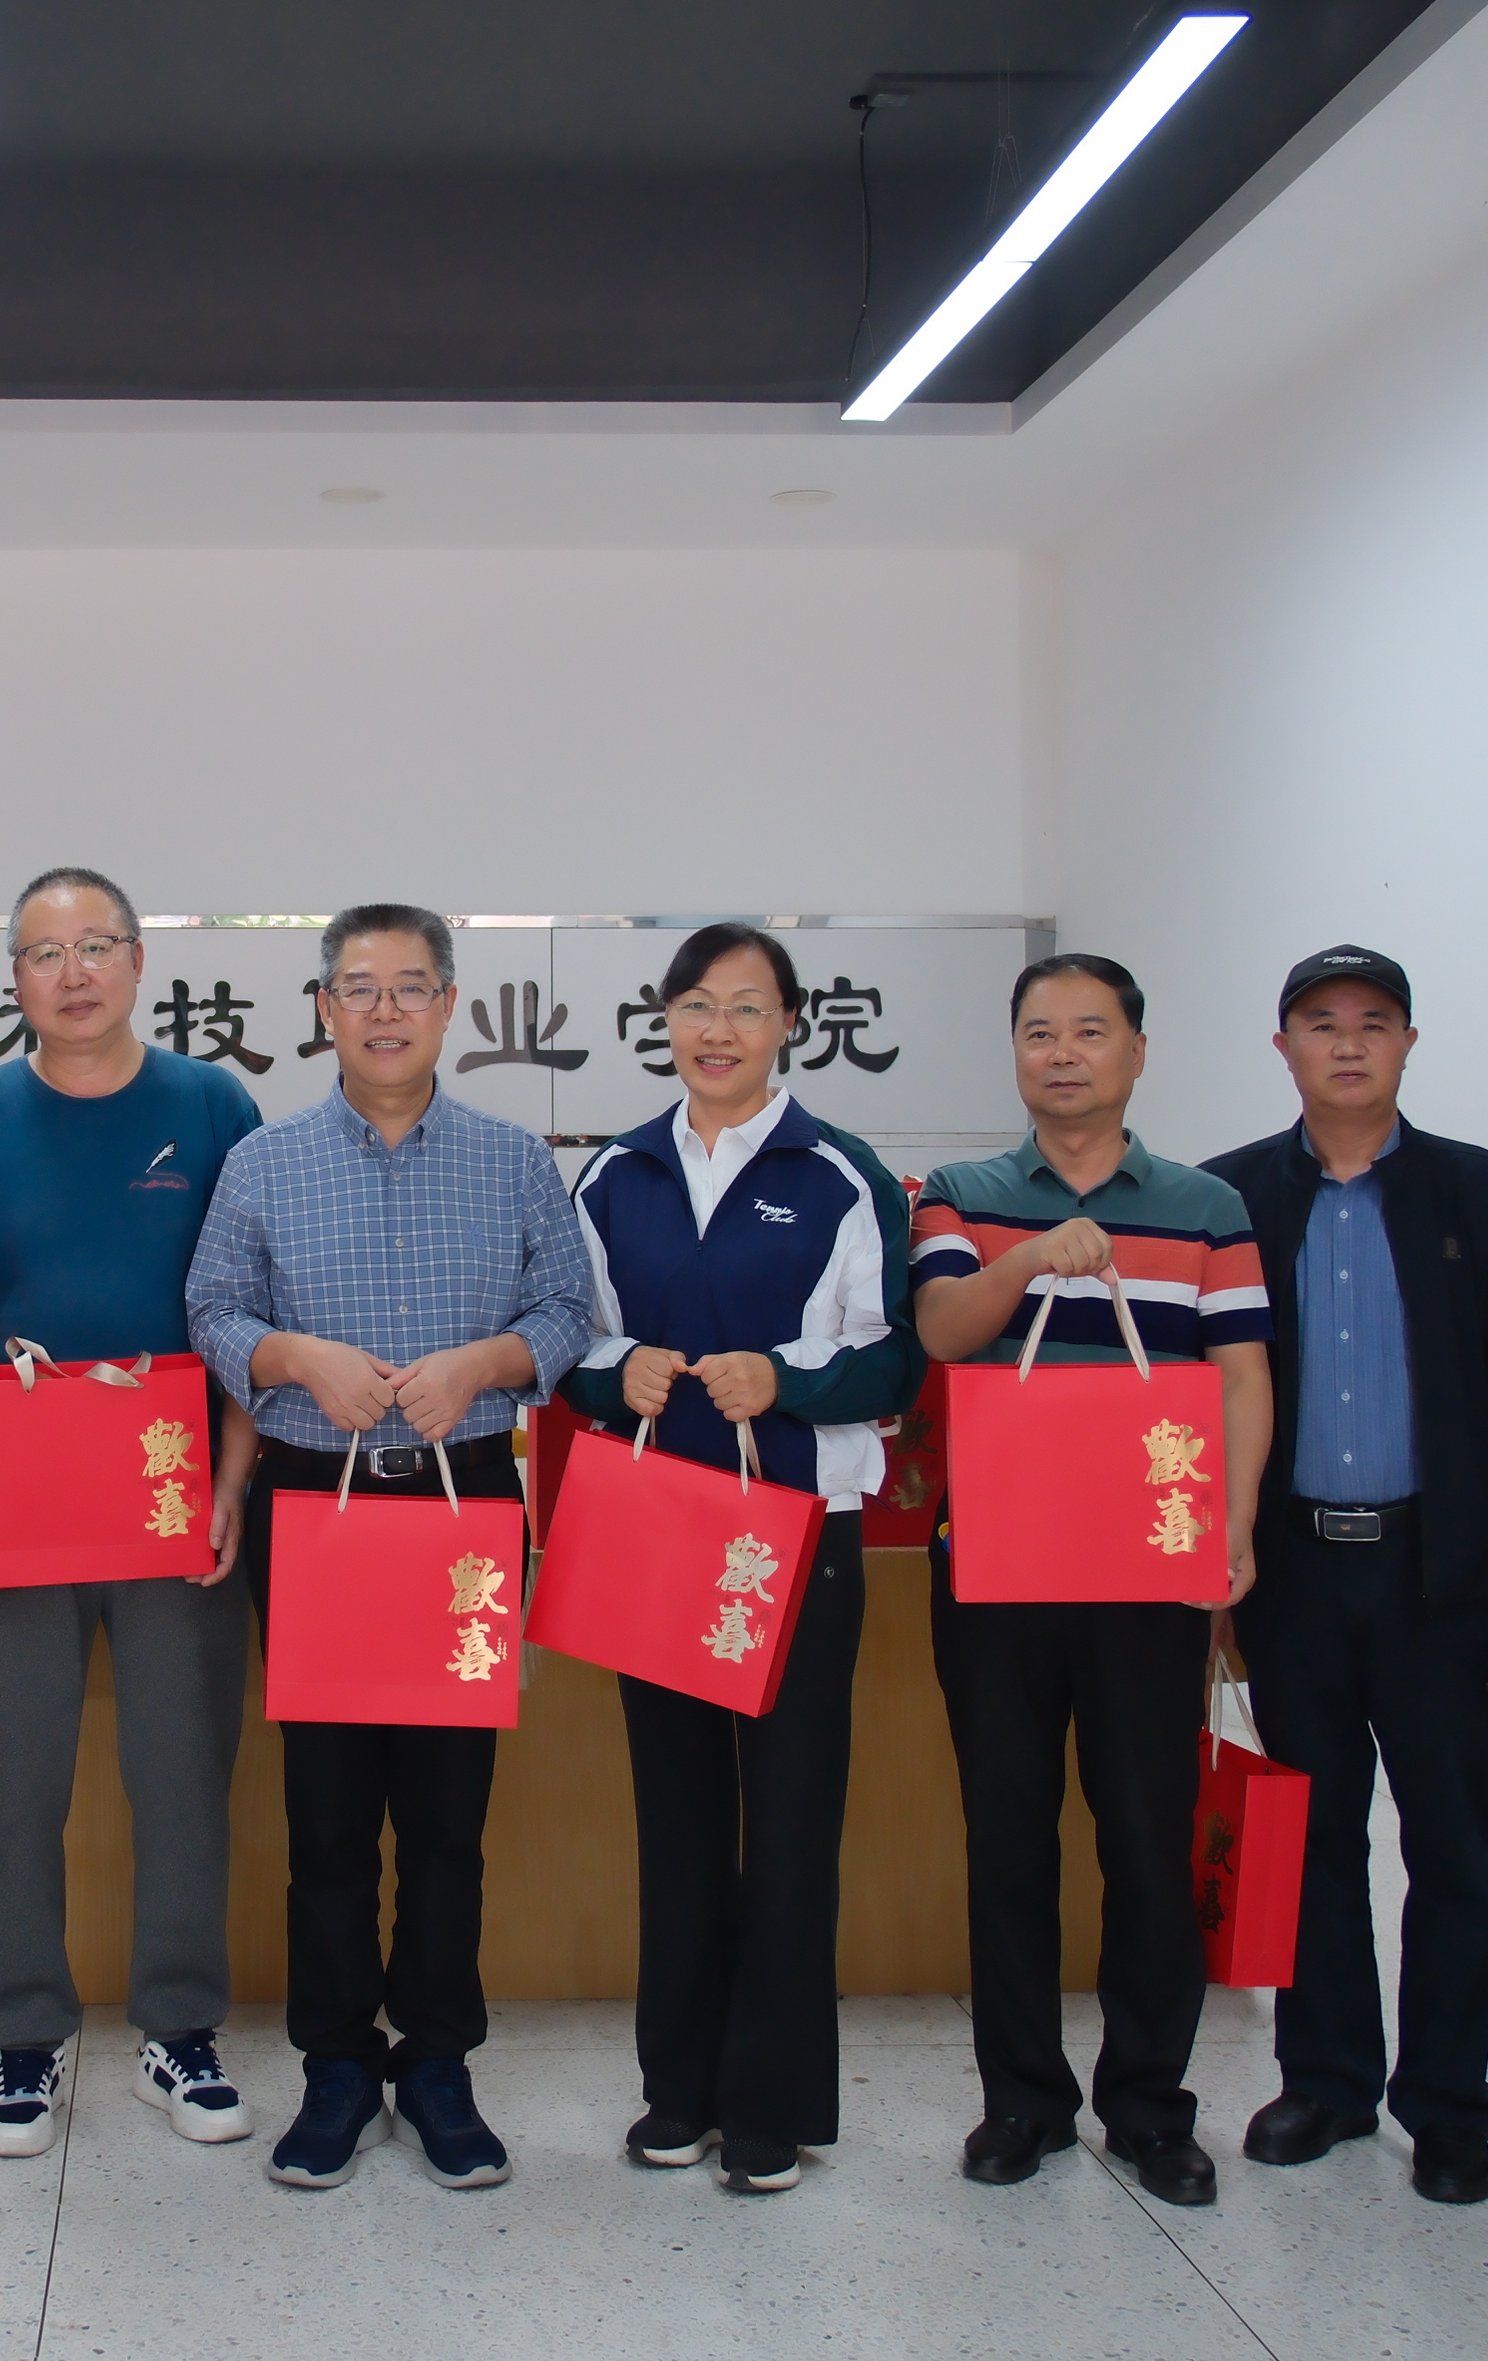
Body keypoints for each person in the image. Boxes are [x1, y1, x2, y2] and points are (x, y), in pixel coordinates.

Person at [187, 902, 596, 2191]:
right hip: (317, 1500)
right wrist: (290, 1356)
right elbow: (210, 1307)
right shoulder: (263, 1163)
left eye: (409, 987)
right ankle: (334, 2064)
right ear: (323, 1009)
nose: (383, 1010)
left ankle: (435, 2061)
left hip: (463, 1500)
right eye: (357, 988)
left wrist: (489, 1362)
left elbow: (569, 1309)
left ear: (448, 1005)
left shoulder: (513, 1160)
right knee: (324, 1813)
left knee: (445, 1814)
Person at [1199, 947, 1488, 2206]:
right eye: (1321, 1024)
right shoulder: (1230, 1196)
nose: (1348, 1044)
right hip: (1294, 1573)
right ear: (1284, 1047)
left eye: (1373, 1023)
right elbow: (1202, 1397)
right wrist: (1215, 1568)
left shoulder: (1483, 1193)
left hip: (1445, 1578)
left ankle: (1450, 2105)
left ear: (1409, 1042)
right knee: (1310, 1840)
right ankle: (1326, 2081)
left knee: (1457, 1852)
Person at [0, 867, 265, 2158]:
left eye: (96, 945)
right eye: (44, 953)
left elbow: (248, 1307)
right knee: (11, 1776)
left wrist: (233, 1478)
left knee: (182, 1770)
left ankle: (180, 2027)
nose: (73, 973)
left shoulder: (212, 1106)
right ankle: (24, 2037)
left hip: (176, 1492)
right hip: (16, 1494)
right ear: (15, 977)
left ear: (138, 961)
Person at [558, 924, 922, 2195]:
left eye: (748, 1008)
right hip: (655, 1530)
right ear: (664, 1021)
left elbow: (894, 1357)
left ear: (789, 1027)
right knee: (676, 1820)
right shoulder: (617, 1173)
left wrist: (788, 1380)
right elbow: (566, 1340)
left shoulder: (839, 1173)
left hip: (794, 1538)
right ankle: (679, 2094)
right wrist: (614, 1373)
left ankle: (771, 2105)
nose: (719, 1031)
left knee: (791, 1822)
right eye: (697, 1006)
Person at [908, 953, 1271, 2208]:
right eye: (1038, 1032)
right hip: (996, 1565)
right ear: (1013, 1051)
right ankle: (1022, 2102)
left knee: (1147, 1843)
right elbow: (943, 1331)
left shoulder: (1206, 1207)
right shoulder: (958, 1195)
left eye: (1089, 1031)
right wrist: (1029, 1262)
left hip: (1147, 1570)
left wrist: (1235, 1526)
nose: (1062, 1053)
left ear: (1135, 1051)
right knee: (1007, 1839)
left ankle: (1151, 2108)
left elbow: (1239, 1374)